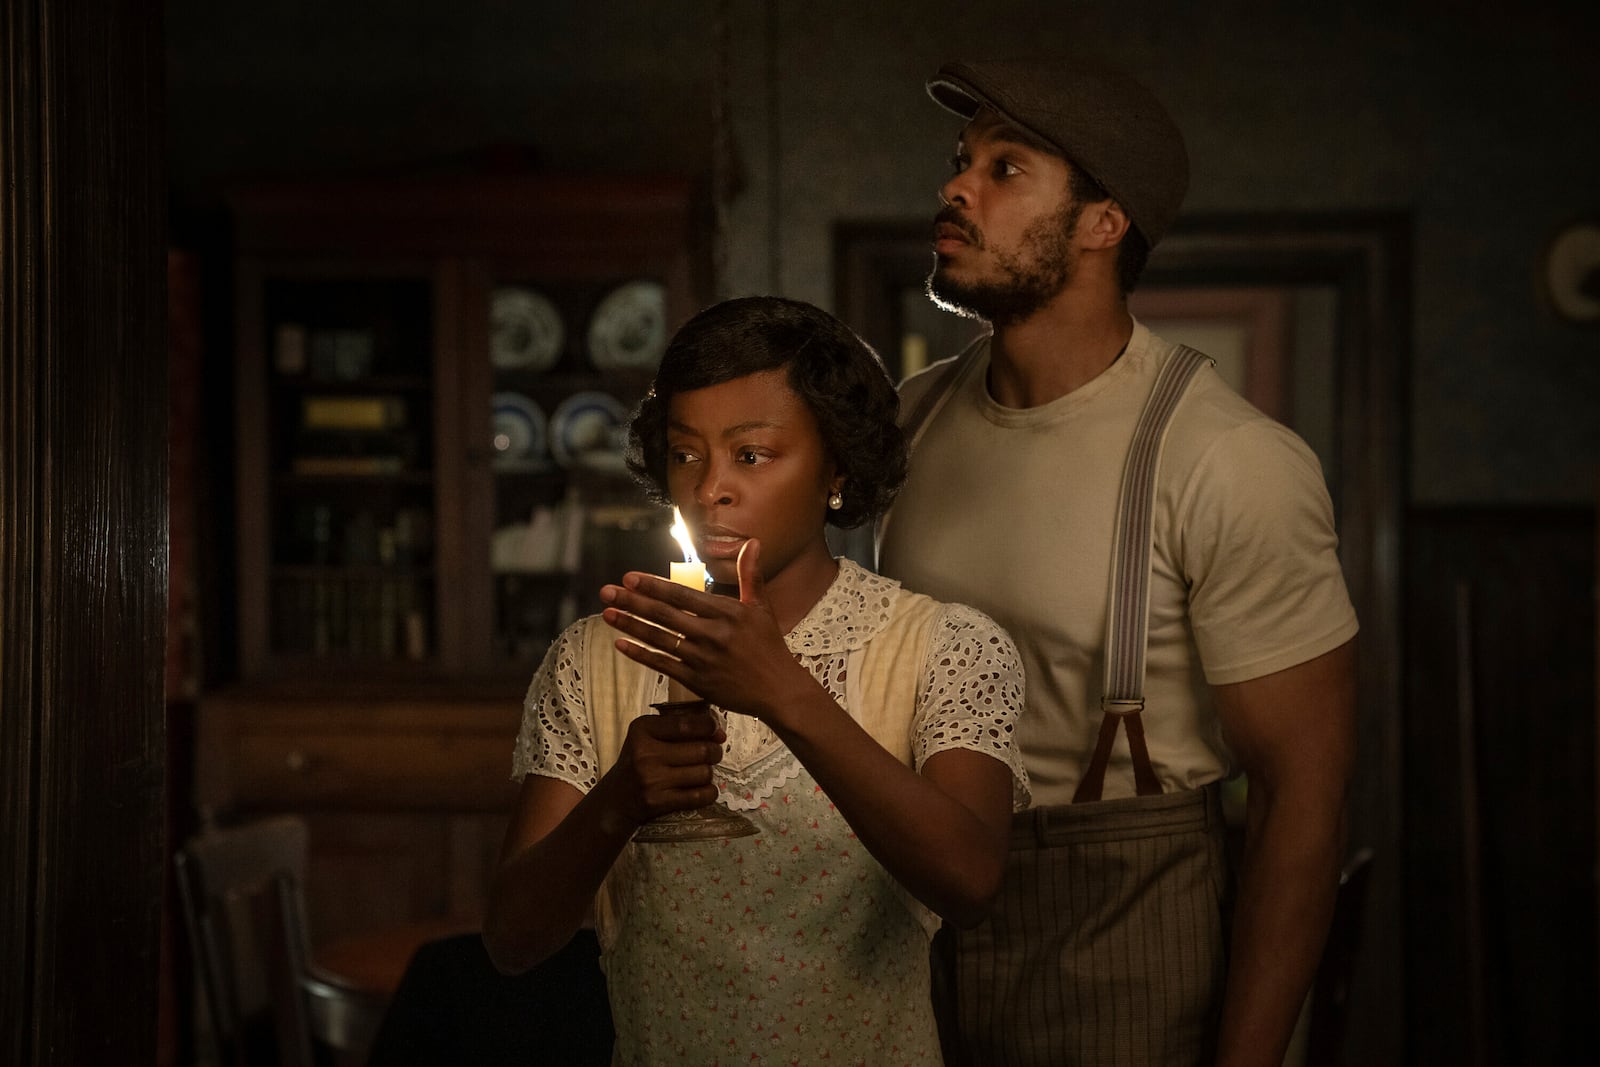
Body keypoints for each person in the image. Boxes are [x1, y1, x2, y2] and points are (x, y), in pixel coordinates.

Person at [876, 58, 1360, 1067]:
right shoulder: (911, 419)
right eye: (959, 161)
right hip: (911, 921)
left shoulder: (1226, 458)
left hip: (1126, 930)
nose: (954, 188)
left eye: (1005, 169)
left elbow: (1301, 798)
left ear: (1103, 222)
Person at [483, 295, 1030, 1065]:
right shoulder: (597, 658)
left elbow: (972, 881)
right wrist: (619, 801)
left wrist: (785, 691)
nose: (711, 489)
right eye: (685, 453)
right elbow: (511, 940)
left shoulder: (942, 648)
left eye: (751, 454)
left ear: (836, 463)